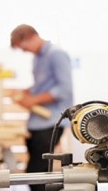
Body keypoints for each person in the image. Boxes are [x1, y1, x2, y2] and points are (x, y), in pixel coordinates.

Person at [10, 24, 74, 191]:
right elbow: (43, 85)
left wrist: (33, 100)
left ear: (30, 37)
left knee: (36, 174)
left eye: (22, 47)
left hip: (51, 122)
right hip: (38, 124)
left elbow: (64, 89)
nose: (23, 51)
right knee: (35, 173)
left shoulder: (56, 55)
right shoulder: (38, 58)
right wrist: (26, 92)